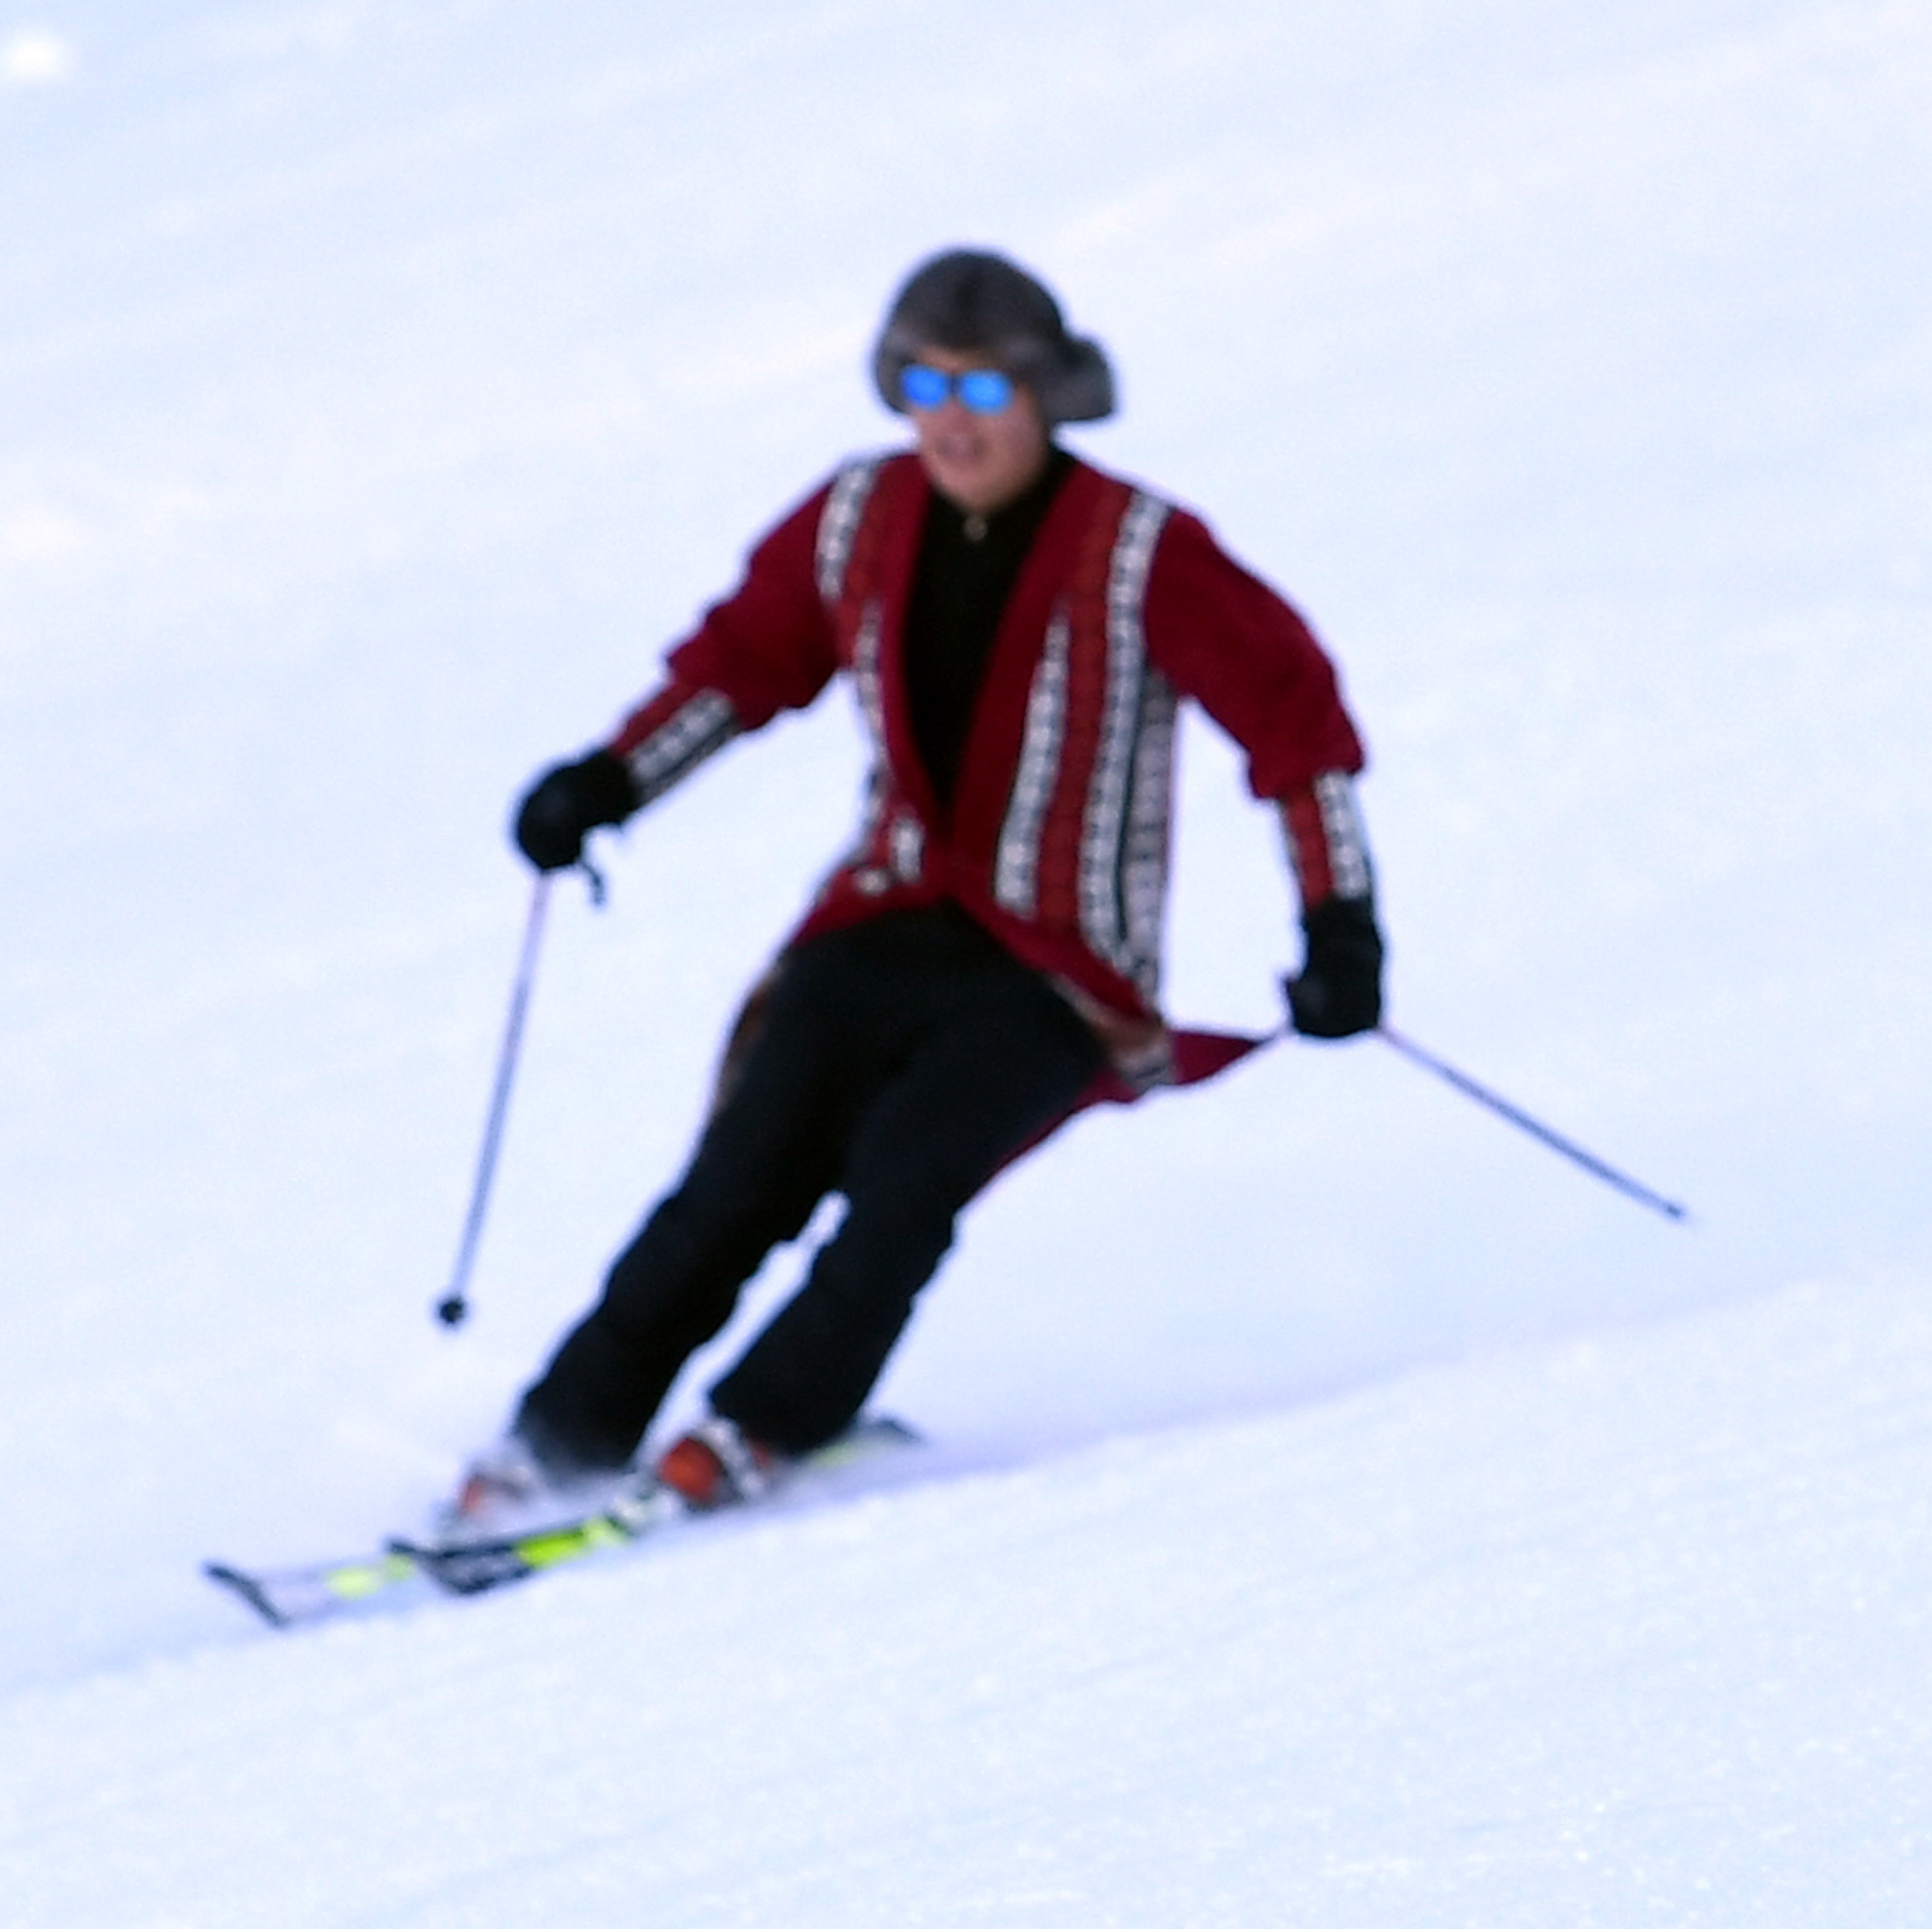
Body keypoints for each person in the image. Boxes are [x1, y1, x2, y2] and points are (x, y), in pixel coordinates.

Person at [454, 248, 1388, 1524]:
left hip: (1055, 973)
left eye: (985, 388)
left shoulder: (1141, 551)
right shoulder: (858, 518)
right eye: (921, 384)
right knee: (737, 1183)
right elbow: (741, 666)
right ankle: (561, 1442)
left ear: (1048, 394)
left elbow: (1296, 725)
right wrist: (608, 783)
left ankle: (760, 1425)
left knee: (903, 1189)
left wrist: (1341, 925)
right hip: (883, 921)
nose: (951, 421)